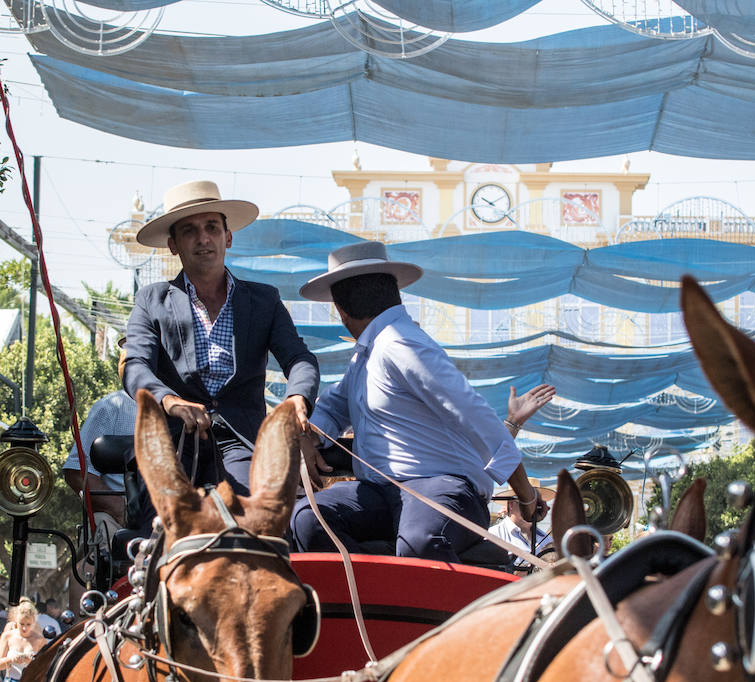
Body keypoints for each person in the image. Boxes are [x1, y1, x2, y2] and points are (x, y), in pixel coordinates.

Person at [290, 240, 541, 563]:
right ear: (393, 292)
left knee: (420, 541)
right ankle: (368, 601)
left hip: (444, 487)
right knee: (307, 519)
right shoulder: (365, 357)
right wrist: (310, 436)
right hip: (382, 491)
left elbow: (476, 415)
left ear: (340, 310)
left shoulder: (402, 343)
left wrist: (526, 494)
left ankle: (420, 600)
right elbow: (330, 408)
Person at [124, 180, 319, 495]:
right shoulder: (151, 299)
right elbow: (135, 365)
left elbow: (299, 358)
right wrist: (170, 401)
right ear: (173, 244)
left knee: (262, 517)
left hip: (242, 442)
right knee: (161, 524)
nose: (203, 239)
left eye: (212, 228)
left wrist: (297, 396)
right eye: (189, 231)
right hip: (174, 442)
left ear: (227, 237)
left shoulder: (264, 300)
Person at [63, 339, 137, 536]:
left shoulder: (186, 408)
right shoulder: (111, 407)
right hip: (120, 517)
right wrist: (119, 508)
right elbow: (78, 471)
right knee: (102, 527)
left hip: (174, 511)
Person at [0, 599, 47, 682]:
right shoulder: (8, 636)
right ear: (16, 621)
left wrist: (31, 661)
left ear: (33, 622)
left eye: (28, 624)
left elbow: (46, 667)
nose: (25, 628)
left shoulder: (39, 640)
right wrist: (10, 660)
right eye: (21, 624)